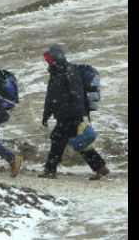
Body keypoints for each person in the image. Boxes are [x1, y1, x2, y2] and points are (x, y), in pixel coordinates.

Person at [38, 44, 109, 180]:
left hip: (71, 115)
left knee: (58, 139)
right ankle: (100, 167)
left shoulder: (70, 70)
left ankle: (50, 170)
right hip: (64, 115)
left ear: (56, 56)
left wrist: (77, 115)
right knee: (79, 142)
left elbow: (77, 94)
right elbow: (50, 96)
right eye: (47, 59)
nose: (48, 61)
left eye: (49, 58)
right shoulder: (55, 73)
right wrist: (46, 114)